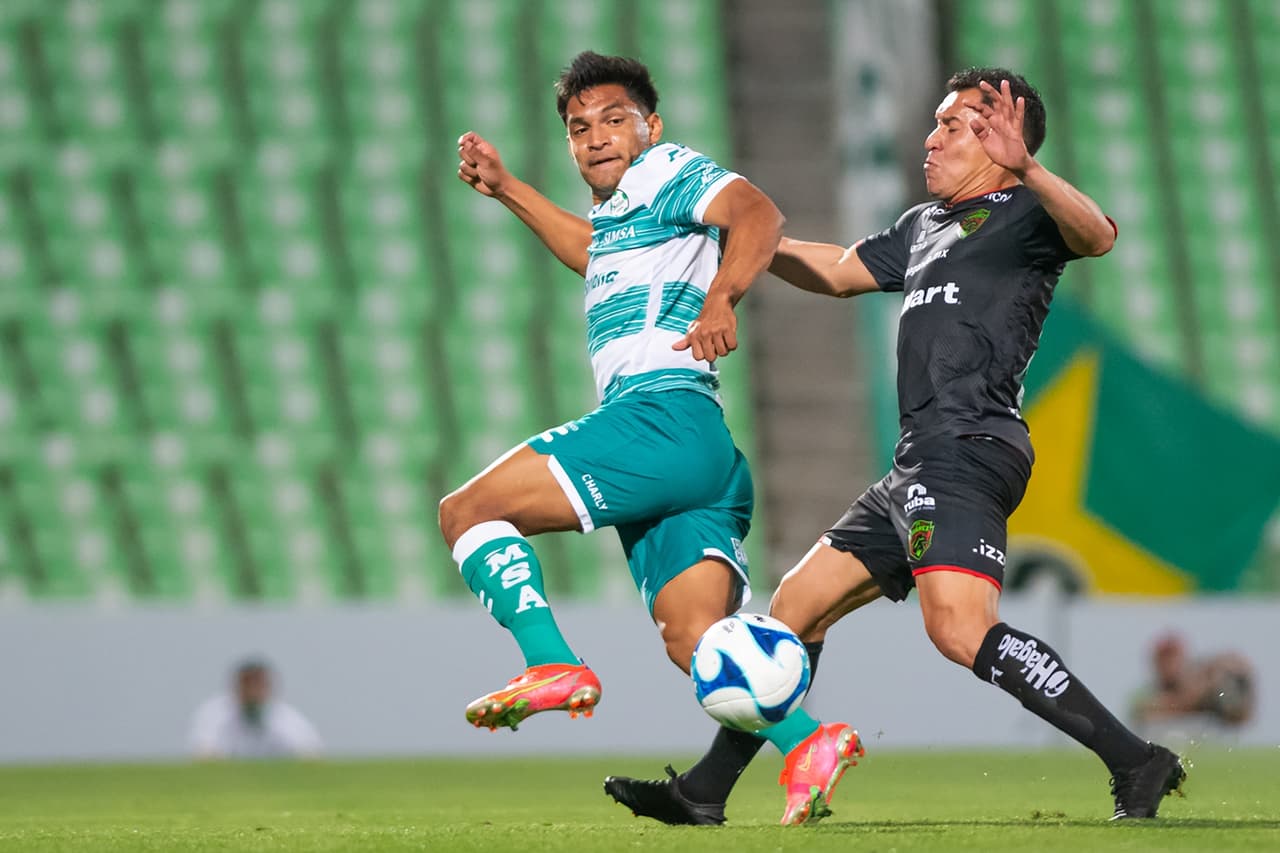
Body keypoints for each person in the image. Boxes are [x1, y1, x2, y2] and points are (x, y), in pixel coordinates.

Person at [604, 68, 1185, 824]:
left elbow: (1098, 235)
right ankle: (704, 792)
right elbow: (839, 270)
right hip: (919, 457)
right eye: (936, 123)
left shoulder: (1027, 209)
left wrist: (1030, 168)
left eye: (953, 125)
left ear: (999, 139)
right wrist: (746, 238)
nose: (931, 138)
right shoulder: (924, 225)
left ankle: (1136, 760)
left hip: (969, 443)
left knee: (959, 628)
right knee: (795, 606)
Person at [441, 51, 861, 824]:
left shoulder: (667, 169)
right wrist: (507, 189)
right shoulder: (623, 216)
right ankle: (808, 740)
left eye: (614, 119)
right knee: (697, 643)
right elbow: (591, 253)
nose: (596, 136)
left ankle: (552, 662)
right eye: (579, 128)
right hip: (700, 449)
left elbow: (759, 214)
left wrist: (723, 297)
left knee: (466, 511)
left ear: (651, 126)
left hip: (659, 416)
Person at [188, 659, 321, 759]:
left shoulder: (287, 718)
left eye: (258, 685)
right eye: (248, 685)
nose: (253, 692)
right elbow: (203, 753)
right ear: (236, 688)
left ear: (268, 688)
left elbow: (311, 754)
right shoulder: (214, 713)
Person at [1133, 632, 1256, 729]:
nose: (1168, 665)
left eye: (1172, 658)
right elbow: (1144, 713)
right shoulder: (1147, 693)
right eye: (1163, 660)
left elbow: (1239, 716)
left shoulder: (1202, 674)